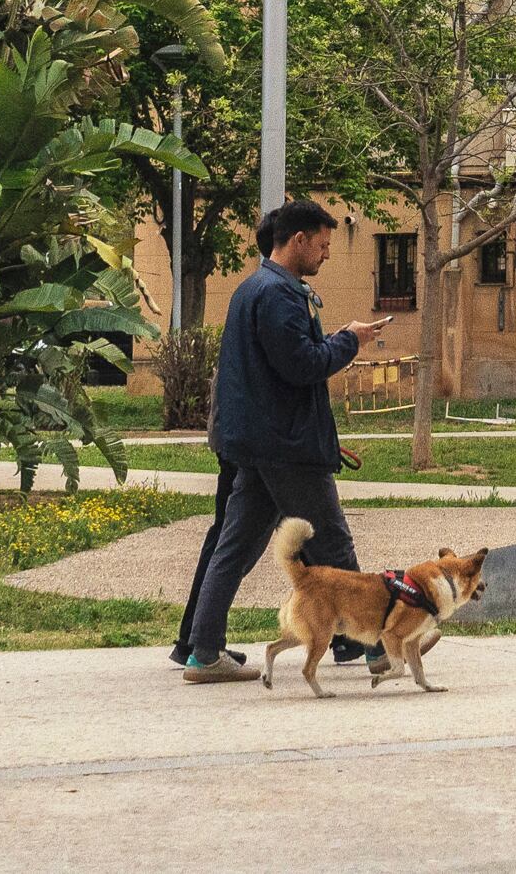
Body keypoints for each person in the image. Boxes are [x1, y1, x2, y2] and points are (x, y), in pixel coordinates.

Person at [172, 199, 392, 682]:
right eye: (323, 244)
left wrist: (335, 339)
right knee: (333, 544)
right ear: (298, 240)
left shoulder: (256, 289)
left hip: (259, 443)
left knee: (234, 547)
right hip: (286, 446)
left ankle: (204, 652)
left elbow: (282, 363)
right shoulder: (278, 295)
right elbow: (302, 365)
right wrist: (350, 340)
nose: (327, 254)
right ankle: (379, 650)